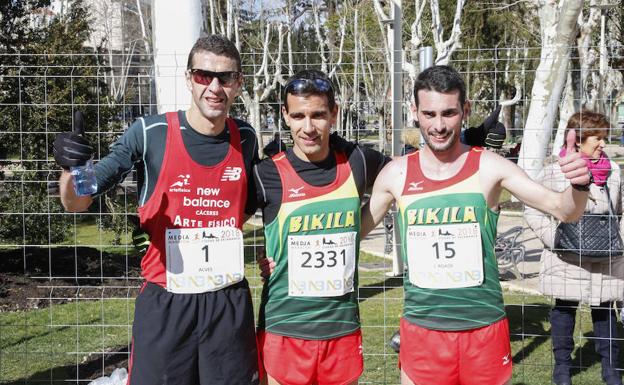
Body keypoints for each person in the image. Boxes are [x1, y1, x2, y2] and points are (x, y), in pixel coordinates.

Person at [254, 69, 510, 385]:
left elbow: (417, 170)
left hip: (341, 331)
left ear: (334, 113)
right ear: (285, 116)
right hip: (285, 329)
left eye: (318, 115)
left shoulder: (358, 160)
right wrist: (260, 257)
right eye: (299, 116)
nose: (308, 126)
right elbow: (222, 220)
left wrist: (469, 139)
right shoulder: (264, 173)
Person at [361, 65, 590, 385]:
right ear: (415, 112)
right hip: (422, 332)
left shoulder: (489, 167)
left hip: (483, 332)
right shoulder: (396, 174)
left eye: (449, 113)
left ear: (465, 110)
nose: (438, 126)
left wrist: (579, 185)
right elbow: (351, 233)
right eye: (429, 114)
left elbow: (563, 209)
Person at [53, 35, 259, 385]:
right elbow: (79, 200)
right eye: (202, 75)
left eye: (225, 77)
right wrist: (71, 169)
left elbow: (249, 205)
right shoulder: (150, 133)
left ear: (238, 83)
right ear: (188, 79)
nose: (214, 87)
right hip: (167, 302)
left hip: (227, 302)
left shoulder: (247, 137)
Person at [525, 110, 624, 385]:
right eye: (598, 138)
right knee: (564, 311)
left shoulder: (613, 172)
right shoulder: (555, 172)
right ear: (578, 140)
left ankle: (611, 370)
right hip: (566, 257)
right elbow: (532, 211)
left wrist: (620, 239)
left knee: (605, 311)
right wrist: (553, 239)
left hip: (606, 257)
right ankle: (562, 370)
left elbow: (622, 211)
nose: (603, 144)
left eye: (604, 138)